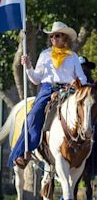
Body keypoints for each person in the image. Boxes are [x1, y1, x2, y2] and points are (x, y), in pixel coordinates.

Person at [9, 21, 87, 168]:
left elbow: (82, 77)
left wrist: (76, 83)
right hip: (47, 90)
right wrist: (28, 66)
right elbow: (36, 79)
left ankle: (85, 149)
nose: (54, 38)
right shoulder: (45, 55)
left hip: (68, 91)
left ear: (65, 38)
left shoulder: (73, 56)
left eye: (57, 36)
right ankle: (22, 153)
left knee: (87, 113)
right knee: (32, 116)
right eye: (52, 36)